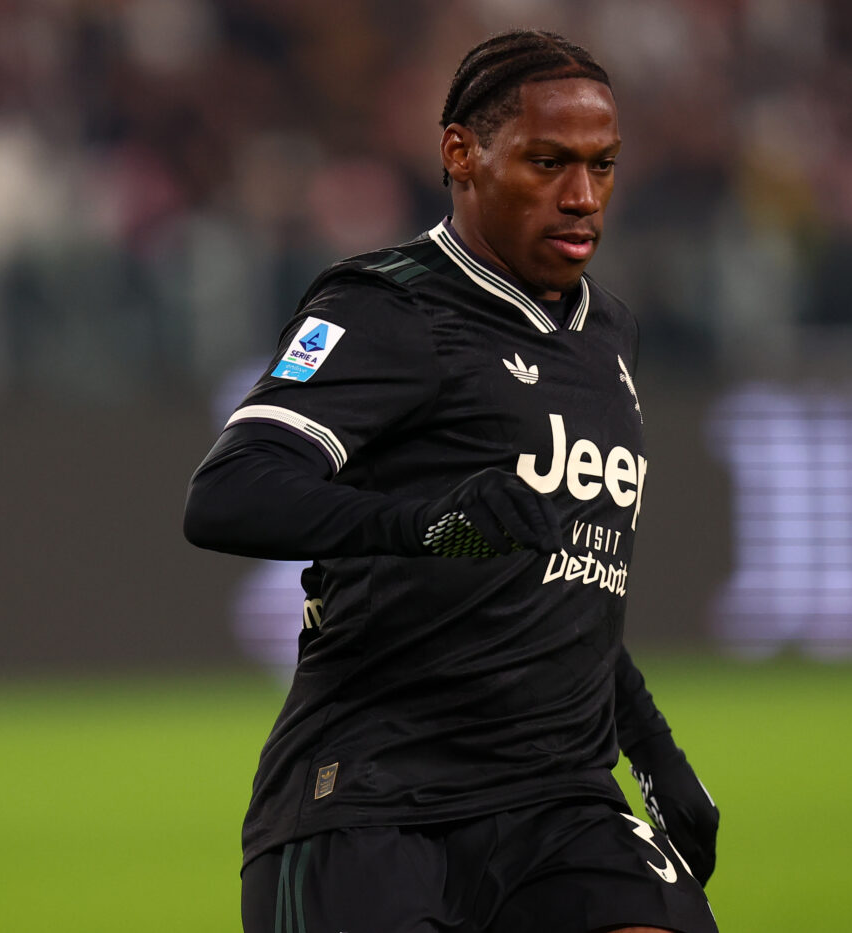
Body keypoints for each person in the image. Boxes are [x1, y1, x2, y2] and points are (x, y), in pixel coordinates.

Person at [183, 29, 720, 933]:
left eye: (602, 165)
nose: (583, 196)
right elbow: (229, 491)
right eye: (548, 162)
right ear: (461, 153)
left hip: (559, 800)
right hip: (372, 797)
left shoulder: (608, 337)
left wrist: (653, 747)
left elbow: (566, 579)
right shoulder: (388, 307)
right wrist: (425, 525)